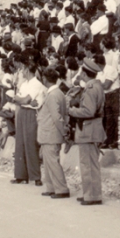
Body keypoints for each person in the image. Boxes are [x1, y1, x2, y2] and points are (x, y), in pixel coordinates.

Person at [68, 58, 106, 206]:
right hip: (94, 129)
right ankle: (92, 193)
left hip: (88, 130)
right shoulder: (97, 86)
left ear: (84, 73)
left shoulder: (90, 89)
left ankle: (91, 196)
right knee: (92, 164)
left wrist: (71, 111)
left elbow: (88, 111)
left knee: (87, 164)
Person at [10, 59, 46, 186]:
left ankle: (36, 176)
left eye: (23, 69)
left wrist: (22, 100)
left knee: (31, 143)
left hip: (31, 114)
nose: (21, 72)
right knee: (20, 143)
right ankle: (21, 175)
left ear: (27, 70)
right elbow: (18, 99)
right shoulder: (24, 84)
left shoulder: (36, 84)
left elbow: (24, 100)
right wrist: (22, 100)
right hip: (22, 112)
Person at [37, 68, 70, 199]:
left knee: (53, 162)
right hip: (50, 133)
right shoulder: (59, 93)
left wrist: (63, 132)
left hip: (50, 133)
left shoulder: (52, 95)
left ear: (45, 79)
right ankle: (52, 187)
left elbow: (57, 117)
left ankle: (61, 189)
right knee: (48, 162)